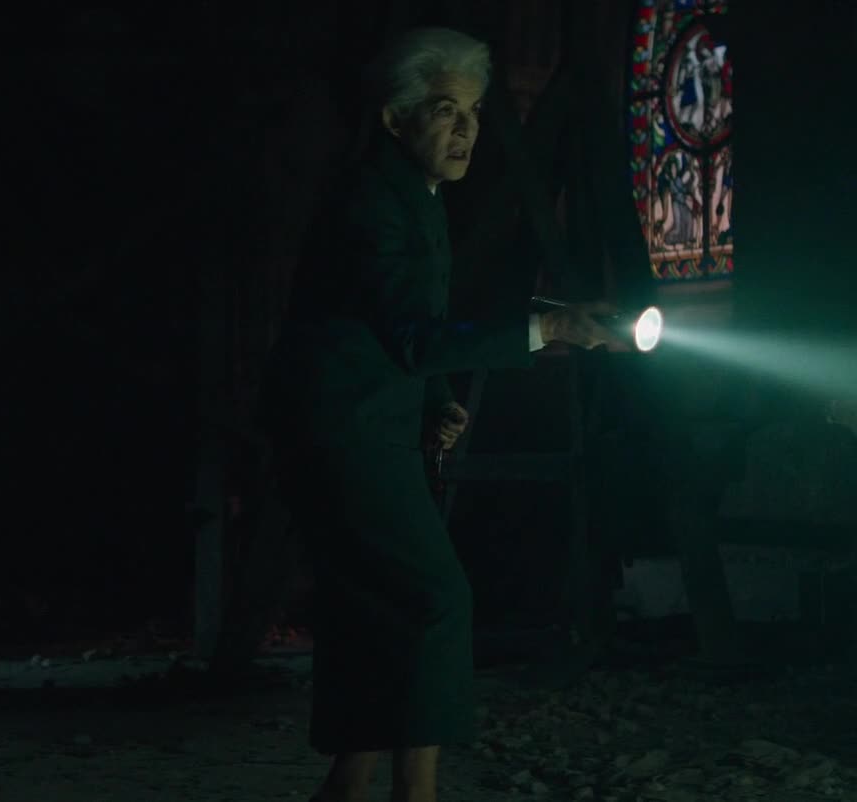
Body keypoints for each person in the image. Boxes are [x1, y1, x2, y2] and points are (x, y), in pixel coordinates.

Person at [264, 27, 616, 802]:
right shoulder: (372, 203)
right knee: (434, 597)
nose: (466, 130)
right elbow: (413, 333)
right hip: (342, 434)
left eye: (476, 111)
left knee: (369, 607)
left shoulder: (413, 197)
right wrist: (550, 326)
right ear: (396, 118)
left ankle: (348, 785)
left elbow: (392, 321)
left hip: (364, 426)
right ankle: (414, 793)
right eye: (445, 110)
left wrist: (435, 402)